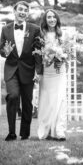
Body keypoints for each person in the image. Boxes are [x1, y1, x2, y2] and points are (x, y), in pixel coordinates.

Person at [0, 1, 42, 141]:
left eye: (25, 10)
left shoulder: (35, 29)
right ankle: (12, 132)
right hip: (11, 69)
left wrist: (38, 71)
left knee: (27, 102)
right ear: (14, 11)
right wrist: (5, 51)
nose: (23, 12)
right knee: (12, 96)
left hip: (28, 70)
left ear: (27, 13)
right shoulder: (5, 29)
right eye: (20, 9)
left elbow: (38, 52)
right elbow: (1, 50)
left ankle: (25, 133)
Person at [37, 9, 67, 141]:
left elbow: (68, 51)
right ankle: (47, 130)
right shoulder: (40, 35)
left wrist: (62, 59)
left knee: (60, 100)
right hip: (47, 72)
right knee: (47, 102)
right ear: (45, 19)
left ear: (57, 19)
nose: (52, 19)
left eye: (54, 17)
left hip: (60, 71)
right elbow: (37, 54)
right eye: (49, 17)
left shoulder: (62, 34)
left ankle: (59, 131)